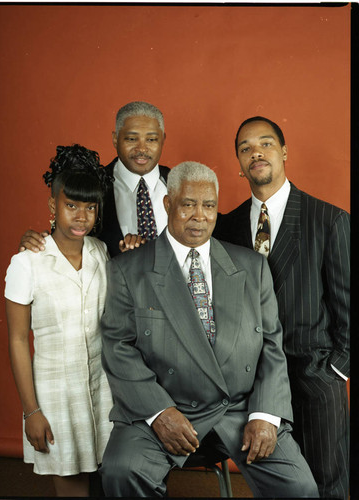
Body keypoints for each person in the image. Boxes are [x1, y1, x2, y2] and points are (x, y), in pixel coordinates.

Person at [99, 161, 319, 498]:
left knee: (299, 486)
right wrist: (159, 412)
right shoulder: (128, 270)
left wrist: (266, 413)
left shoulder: (252, 267)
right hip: (164, 408)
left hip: (240, 409)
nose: (199, 216)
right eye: (188, 204)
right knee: (121, 470)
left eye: (209, 205)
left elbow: (272, 347)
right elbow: (118, 347)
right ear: (168, 204)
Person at [214, 117, 350, 500]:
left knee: (326, 487)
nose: (256, 152)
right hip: (250, 388)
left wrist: (335, 372)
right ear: (239, 165)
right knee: (274, 487)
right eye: (245, 148)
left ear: (285, 152)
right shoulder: (226, 228)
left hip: (313, 381)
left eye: (266, 143)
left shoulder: (329, 220)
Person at [5, 145, 113, 497]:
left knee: (111, 477)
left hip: (104, 389)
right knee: (72, 488)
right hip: (55, 395)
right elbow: (19, 340)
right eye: (71, 206)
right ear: (53, 207)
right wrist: (31, 411)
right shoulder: (27, 263)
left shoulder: (101, 252)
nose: (81, 217)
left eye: (90, 207)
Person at [19, 101, 169, 257]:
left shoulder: (182, 186)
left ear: (163, 139)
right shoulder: (92, 185)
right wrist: (37, 249)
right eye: (131, 139)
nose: (142, 149)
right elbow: (64, 244)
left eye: (151, 139)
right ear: (115, 139)